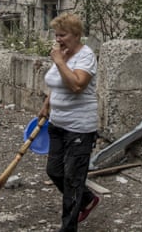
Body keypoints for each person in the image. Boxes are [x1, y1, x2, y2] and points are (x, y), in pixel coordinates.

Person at [38, 12, 99, 231]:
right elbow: (57, 83)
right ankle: (86, 199)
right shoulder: (62, 54)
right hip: (57, 123)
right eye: (56, 34)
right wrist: (47, 104)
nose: (58, 39)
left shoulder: (85, 56)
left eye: (62, 35)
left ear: (76, 34)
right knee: (54, 171)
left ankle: (68, 227)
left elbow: (76, 85)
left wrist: (59, 61)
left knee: (73, 180)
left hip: (80, 128)